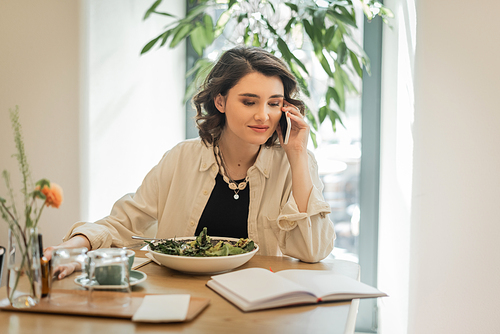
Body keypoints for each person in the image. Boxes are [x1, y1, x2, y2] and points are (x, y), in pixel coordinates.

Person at [46, 46, 335, 278]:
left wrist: (297, 155)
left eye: (274, 103)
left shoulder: (295, 162)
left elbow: (314, 250)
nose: (263, 115)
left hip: (261, 307)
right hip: (183, 302)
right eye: (249, 102)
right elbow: (123, 223)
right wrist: (74, 247)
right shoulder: (182, 158)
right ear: (220, 102)